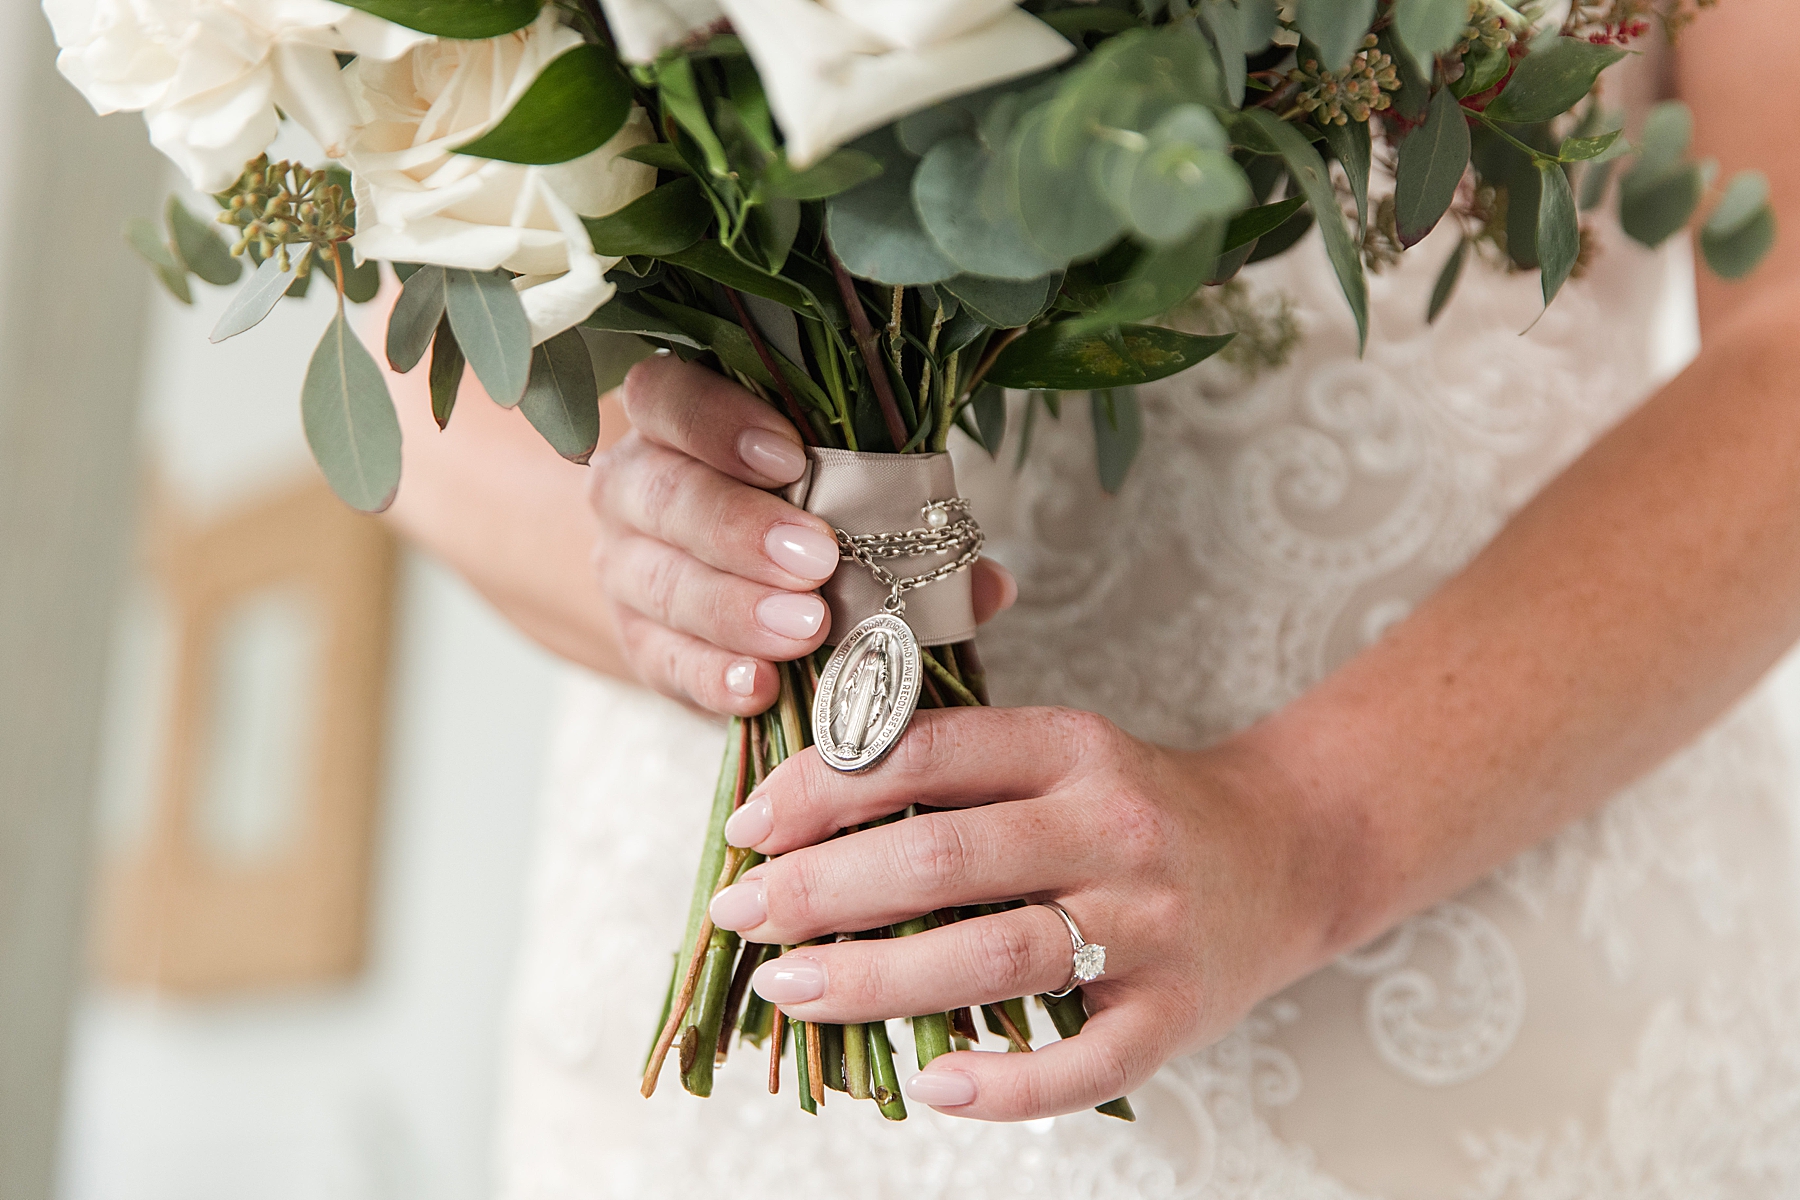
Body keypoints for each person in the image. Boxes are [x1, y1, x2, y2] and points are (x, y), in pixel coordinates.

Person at [386, 5, 1800, 1194]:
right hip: (771, 939)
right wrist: (679, 569)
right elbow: (405, 326)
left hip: (1486, 896)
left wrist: (1310, 833)